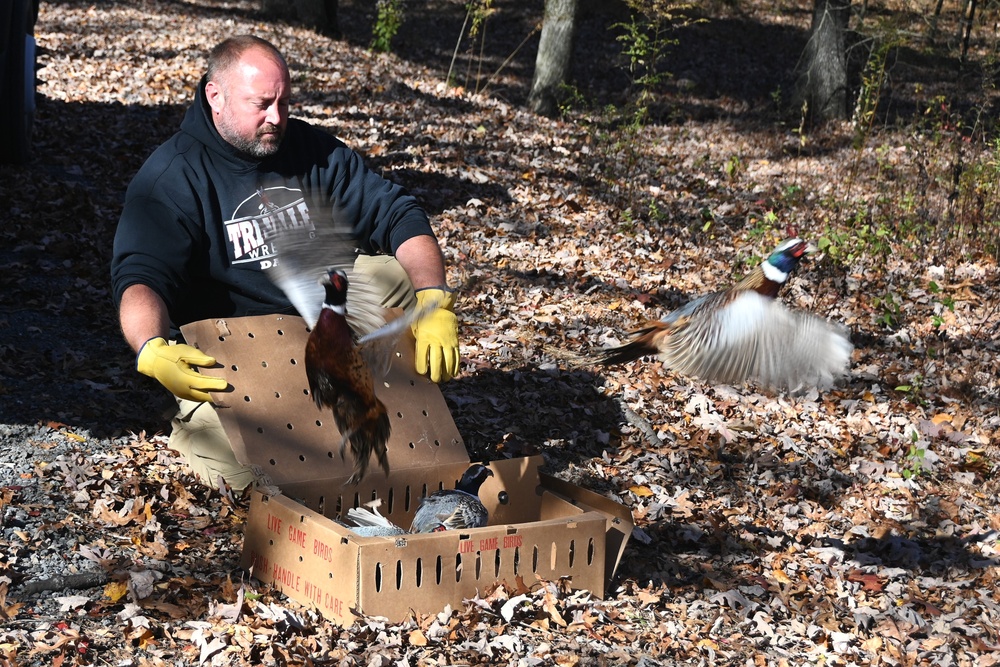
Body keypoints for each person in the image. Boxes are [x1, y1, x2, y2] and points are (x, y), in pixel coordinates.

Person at [111, 35, 459, 491]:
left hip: (321, 326)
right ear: (215, 96)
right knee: (254, 480)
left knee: (395, 276)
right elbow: (139, 277)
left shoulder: (312, 151)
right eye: (262, 104)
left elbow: (399, 214)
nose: (277, 117)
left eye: (285, 102)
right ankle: (193, 427)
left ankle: (391, 398)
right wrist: (149, 348)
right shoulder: (173, 175)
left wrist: (434, 300)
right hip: (235, 352)